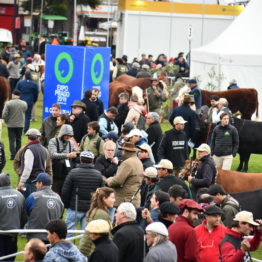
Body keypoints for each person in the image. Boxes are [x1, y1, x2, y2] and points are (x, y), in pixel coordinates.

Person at [61, 151, 104, 234]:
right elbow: (101, 193)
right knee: (86, 234)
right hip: (90, 209)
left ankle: (67, 247)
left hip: (74, 207)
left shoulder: (73, 172)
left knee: (69, 233)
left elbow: (65, 191)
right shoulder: (98, 175)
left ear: (80, 160)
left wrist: (66, 205)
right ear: (92, 161)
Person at [25, 173, 64, 242]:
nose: (35, 185)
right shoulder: (58, 198)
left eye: (36, 183)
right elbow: (60, 215)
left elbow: (25, 212)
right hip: (52, 238)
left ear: (41, 183)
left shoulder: (34, 196)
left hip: (35, 238)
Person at [80, 187, 116, 257]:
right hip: (95, 253)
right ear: (104, 198)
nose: (114, 200)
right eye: (112, 198)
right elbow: (99, 238)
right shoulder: (101, 214)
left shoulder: (97, 210)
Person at [106, 142, 144, 207]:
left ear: (126, 152)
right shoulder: (138, 161)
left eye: (123, 150)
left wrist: (108, 180)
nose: (122, 153)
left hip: (124, 201)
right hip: (134, 200)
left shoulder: (127, 163)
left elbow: (117, 181)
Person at [17, 128, 51, 199]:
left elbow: (27, 169)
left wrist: (21, 182)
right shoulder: (43, 149)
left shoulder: (29, 149)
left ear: (28, 137)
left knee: (27, 204)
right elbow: (44, 167)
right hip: (40, 183)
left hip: (30, 183)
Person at [0, 173, 26, 261]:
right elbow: (24, 217)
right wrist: (19, 228)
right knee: (10, 257)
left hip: (1, 233)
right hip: (13, 233)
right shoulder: (19, 195)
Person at [48, 124, 77, 195]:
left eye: (70, 135)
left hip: (67, 172)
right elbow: (52, 154)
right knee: (54, 192)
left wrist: (76, 154)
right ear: (62, 134)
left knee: (64, 192)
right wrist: (67, 155)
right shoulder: (53, 141)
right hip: (55, 172)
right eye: (66, 135)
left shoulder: (71, 143)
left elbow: (75, 151)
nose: (68, 137)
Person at [2, 89, 27, 160]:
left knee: (11, 140)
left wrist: (7, 121)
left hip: (11, 125)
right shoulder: (24, 103)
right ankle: (18, 155)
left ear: (13, 95)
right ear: (19, 96)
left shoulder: (8, 103)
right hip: (20, 124)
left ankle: (13, 155)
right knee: (19, 139)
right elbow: (25, 110)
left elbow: (4, 115)